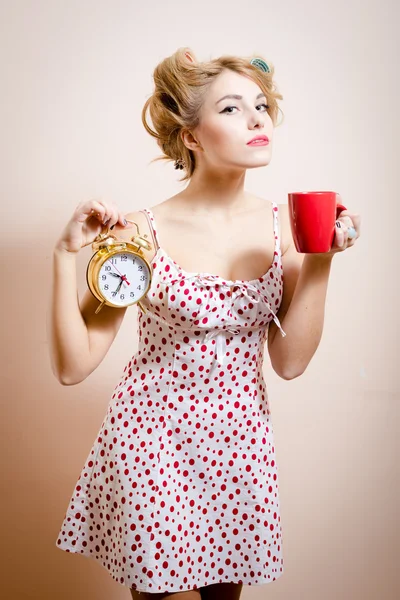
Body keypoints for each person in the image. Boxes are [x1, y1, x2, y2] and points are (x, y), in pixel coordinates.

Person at [49, 47, 361, 600]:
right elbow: (74, 367)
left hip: (240, 446)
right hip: (151, 442)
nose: (256, 118)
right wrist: (62, 256)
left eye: (261, 106)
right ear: (190, 136)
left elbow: (289, 364)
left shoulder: (283, 229)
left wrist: (321, 259)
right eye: (232, 109)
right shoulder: (139, 232)